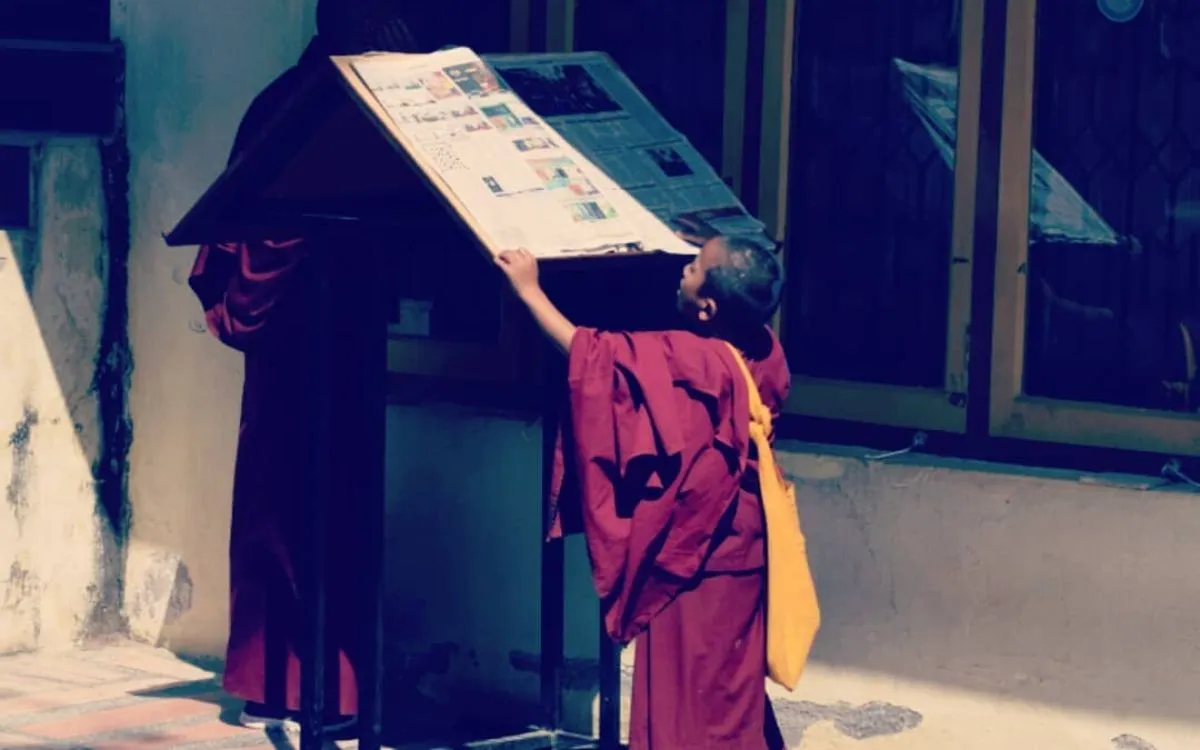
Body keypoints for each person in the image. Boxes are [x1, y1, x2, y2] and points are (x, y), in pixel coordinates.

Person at [187, 0, 418, 734]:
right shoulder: (294, 104)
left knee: (344, 503)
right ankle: (277, 680)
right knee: (283, 506)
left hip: (351, 334)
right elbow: (255, 230)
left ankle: (342, 686)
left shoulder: (388, 95)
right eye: (382, 17)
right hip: (293, 336)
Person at [495, 236, 790, 750]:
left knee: (686, 697)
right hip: (746, 545)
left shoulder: (694, 359)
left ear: (708, 307)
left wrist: (528, 291)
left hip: (696, 557)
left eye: (695, 267)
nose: (683, 269)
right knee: (728, 692)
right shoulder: (764, 349)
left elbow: (593, 355)